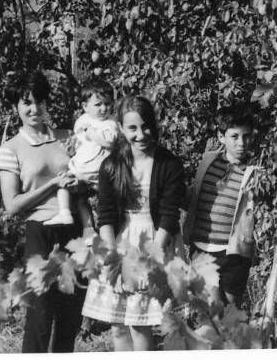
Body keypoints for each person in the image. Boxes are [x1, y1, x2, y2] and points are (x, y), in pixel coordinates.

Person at [81, 95, 186, 351]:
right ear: (120, 128)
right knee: (117, 325)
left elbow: (169, 215)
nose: (141, 134)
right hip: (119, 243)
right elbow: (105, 215)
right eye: (132, 128)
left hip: (154, 242)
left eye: (146, 126)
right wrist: (113, 259)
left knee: (139, 324)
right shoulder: (111, 166)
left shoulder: (168, 164)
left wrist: (152, 260)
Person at [0, 70, 85, 353]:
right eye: (27, 103)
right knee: (40, 316)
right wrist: (52, 186)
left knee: (70, 316)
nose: (35, 109)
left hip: (73, 231)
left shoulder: (67, 137)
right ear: (16, 107)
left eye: (40, 102)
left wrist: (78, 183)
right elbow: (12, 206)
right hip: (40, 234)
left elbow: (88, 181)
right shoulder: (11, 149)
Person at [182, 109, 259, 306]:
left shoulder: (255, 172)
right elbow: (194, 197)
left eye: (246, 136)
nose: (241, 143)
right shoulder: (208, 162)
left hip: (235, 252)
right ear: (221, 137)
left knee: (231, 313)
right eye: (234, 136)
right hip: (203, 247)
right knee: (213, 307)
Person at [45, 77, 118, 233]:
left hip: (97, 170)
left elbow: (110, 141)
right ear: (85, 106)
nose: (104, 108)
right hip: (81, 166)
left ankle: (99, 228)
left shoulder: (110, 123)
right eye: (98, 105)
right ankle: (72, 218)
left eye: (108, 103)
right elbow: (80, 142)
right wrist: (72, 147)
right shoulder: (82, 120)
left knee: (101, 202)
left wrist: (91, 132)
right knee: (68, 186)